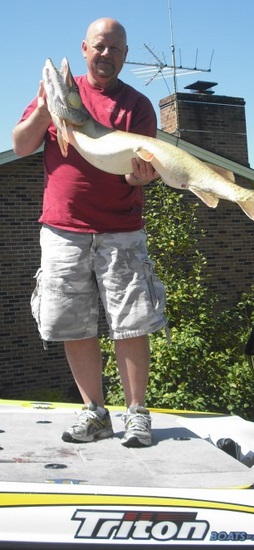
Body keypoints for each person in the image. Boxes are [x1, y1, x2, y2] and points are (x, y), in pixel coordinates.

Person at [12, 17, 167, 448]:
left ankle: (137, 413)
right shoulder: (60, 96)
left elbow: (144, 174)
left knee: (132, 323)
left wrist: (142, 176)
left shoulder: (137, 105)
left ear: (124, 55)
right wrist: (45, 108)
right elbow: (22, 144)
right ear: (85, 48)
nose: (107, 55)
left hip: (122, 229)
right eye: (100, 46)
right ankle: (95, 413)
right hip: (63, 230)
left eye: (116, 49)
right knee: (74, 324)